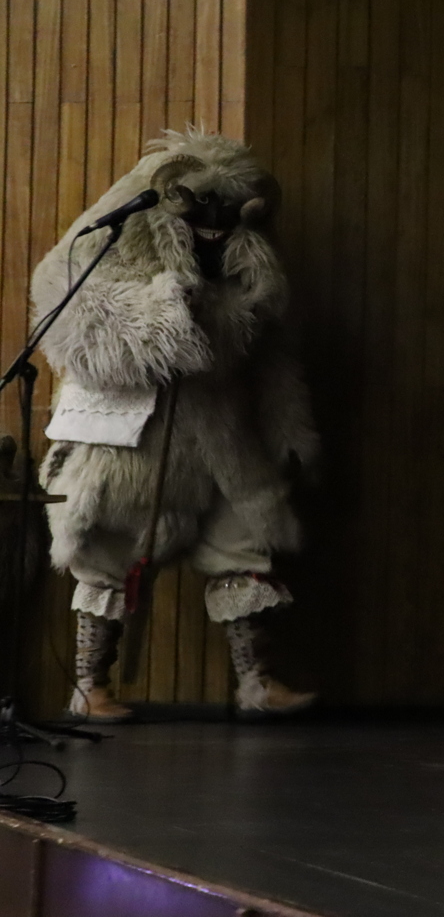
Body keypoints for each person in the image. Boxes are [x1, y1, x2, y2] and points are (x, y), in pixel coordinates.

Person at [33, 128, 319, 722]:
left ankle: (257, 682)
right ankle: (89, 686)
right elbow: (68, 312)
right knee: (109, 554)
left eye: (226, 206)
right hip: (132, 434)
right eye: (200, 204)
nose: (213, 219)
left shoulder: (253, 262)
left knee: (243, 544)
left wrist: (288, 427)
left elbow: (272, 352)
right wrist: (164, 315)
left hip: (220, 431)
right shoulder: (113, 237)